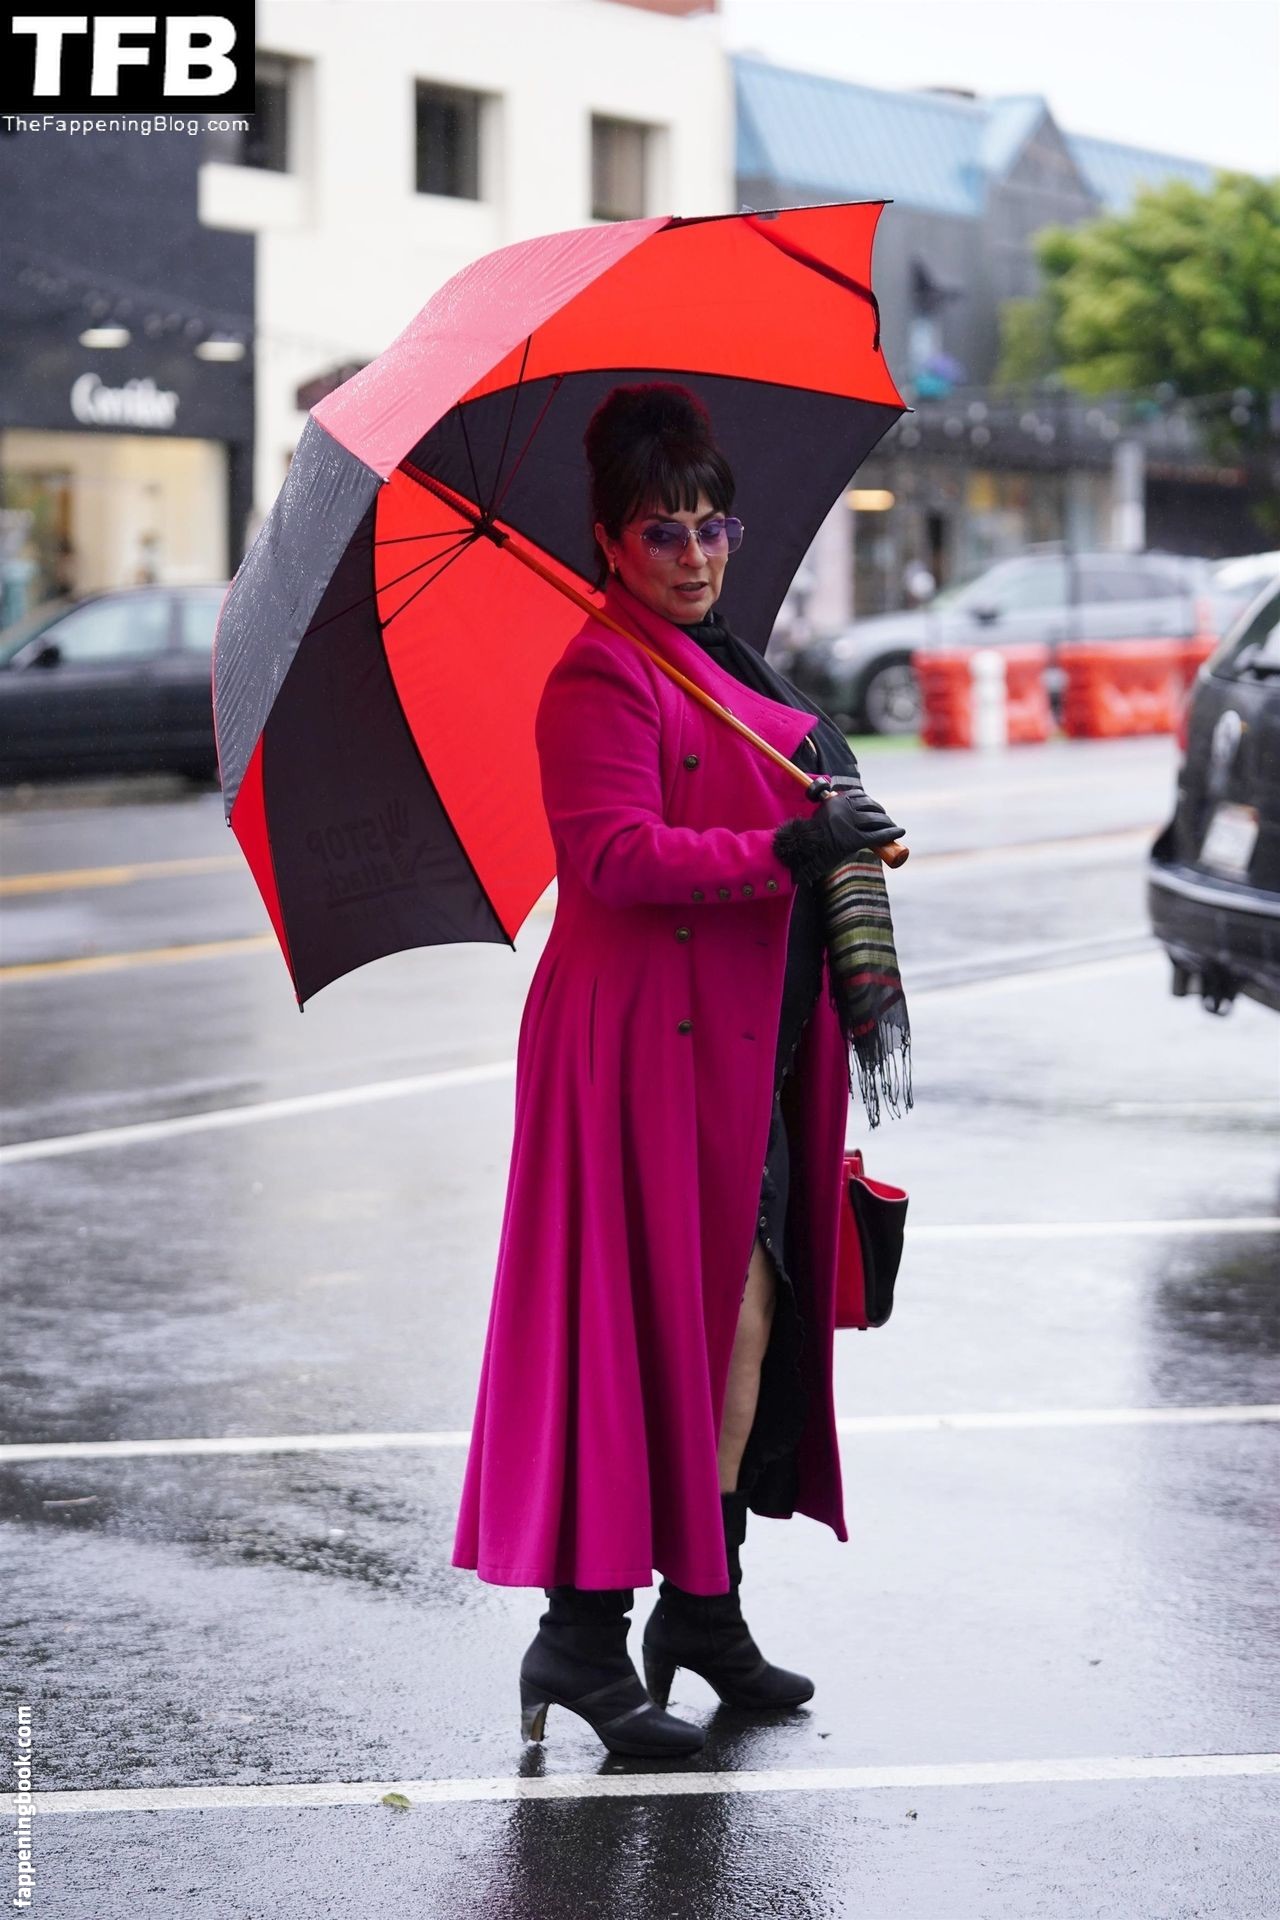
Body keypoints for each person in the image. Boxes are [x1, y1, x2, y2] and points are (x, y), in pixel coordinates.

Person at [450, 384, 905, 1758]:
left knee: (742, 1324)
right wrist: (787, 850)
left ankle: (704, 1613)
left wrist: (839, 822)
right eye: (665, 532)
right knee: (637, 1331)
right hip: (638, 1047)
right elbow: (612, 857)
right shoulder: (600, 673)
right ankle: (580, 1641)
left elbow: (777, 788)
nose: (698, 554)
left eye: (714, 526)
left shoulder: (725, 660)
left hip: (743, 1041)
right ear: (609, 540)